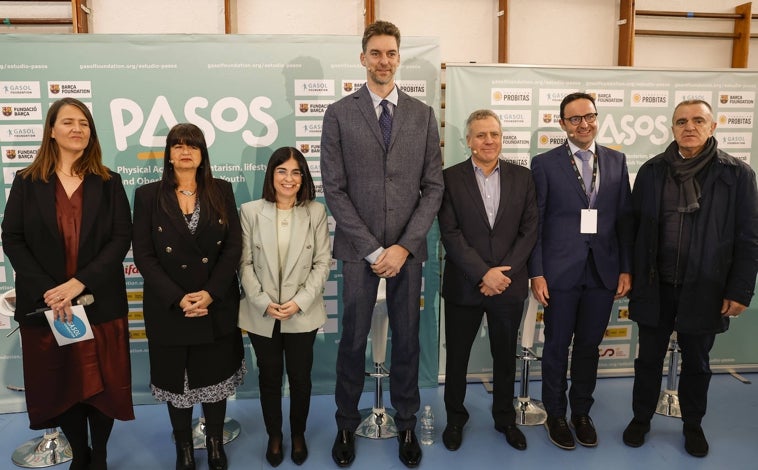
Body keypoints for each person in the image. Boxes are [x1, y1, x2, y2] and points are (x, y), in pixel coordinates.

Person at [320, 19, 444, 468]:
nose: (384, 61)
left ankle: (406, 422)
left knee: (408, 340)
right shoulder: (338, 113)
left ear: (399, 57)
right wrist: (374, 249)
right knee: (351, 340)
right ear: (363, 58)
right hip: (358, 251)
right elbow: (334, 189)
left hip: (408, 253)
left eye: (391, 53)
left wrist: (404, 247)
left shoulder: (422, 114)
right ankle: (345, 425)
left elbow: (433, 188)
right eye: (376, 53)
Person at [1, 97, 134, 470]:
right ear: (51, 130)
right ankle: (81, 451)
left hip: (99, 302)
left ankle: (102, 454)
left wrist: (78, 284)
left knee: (102, 385)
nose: (77, 129)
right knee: (64, 384)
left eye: (85, 124)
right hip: (48, 308)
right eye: (68, 122)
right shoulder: (27, 182)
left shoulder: (109, 182)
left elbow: (120, 238)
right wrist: (51, 290)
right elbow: (12, 238)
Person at [622, 100, 758, 457]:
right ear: (672, 128)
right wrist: (630, 275)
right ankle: (641, 419)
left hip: (706, 288)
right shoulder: (652, 172)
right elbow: (633, 230)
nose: (689, 127)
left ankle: (693, 425)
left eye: (698, 120)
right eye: (681, 121)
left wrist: (741, 289)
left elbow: (749, 237)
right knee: (647, 359)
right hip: (656, 285)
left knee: (697, 363)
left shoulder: (737, 175)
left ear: (712, 127)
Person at [132, 123, 244, 470]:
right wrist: (178, 298)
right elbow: (144, 255)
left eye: (192, 146)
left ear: (202, 154)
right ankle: (182, 448)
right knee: (176, 385)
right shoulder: (148, 195)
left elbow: (232, 248)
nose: (185, 151)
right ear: (168, 153)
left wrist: (210, 294)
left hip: (215, 304)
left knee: (215, 380)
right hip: (171, 308)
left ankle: (214, 444)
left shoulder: (221, 190)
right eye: (177, 145)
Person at [528, 92, 634, 450]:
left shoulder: (617, 161)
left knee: (590, 346)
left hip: (603, 272)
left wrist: (625, 268)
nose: (583, 124)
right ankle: (556, 414)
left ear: (596, 117)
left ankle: (581, 413)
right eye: (574, 119)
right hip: (560, 273)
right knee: (557, 346)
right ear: (562, 124)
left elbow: (624, 221)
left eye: (589, 116)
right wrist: (537, 272)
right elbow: (536, 223)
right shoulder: (543, 164)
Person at [438, 109, 538, 452]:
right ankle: (455, 418)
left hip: (508, 286)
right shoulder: (449, 178)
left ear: (501, 137)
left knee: (505, 357)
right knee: (457, 359)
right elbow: (449, 233)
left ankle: (504, 419)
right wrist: (484, 273)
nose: (489, 140)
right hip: (465, 285)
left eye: (494, 134)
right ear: (468, 141)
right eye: (481, 135)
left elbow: (529, 231)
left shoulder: (523, 178)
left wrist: (501, 274)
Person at [238, 147, 330, 467]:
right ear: (271, 175)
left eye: (295, 172)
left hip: (301, 311)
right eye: (282, 171)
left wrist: (299, 302)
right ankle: (275, 435)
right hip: (262, 312)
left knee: (301, 377)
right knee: (269, 376)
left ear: (302, 177)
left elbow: (322, 263)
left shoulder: (315, 212)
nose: (288, 179)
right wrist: (264, 302)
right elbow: (244, 264)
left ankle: (299, 433)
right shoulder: (250, 211)